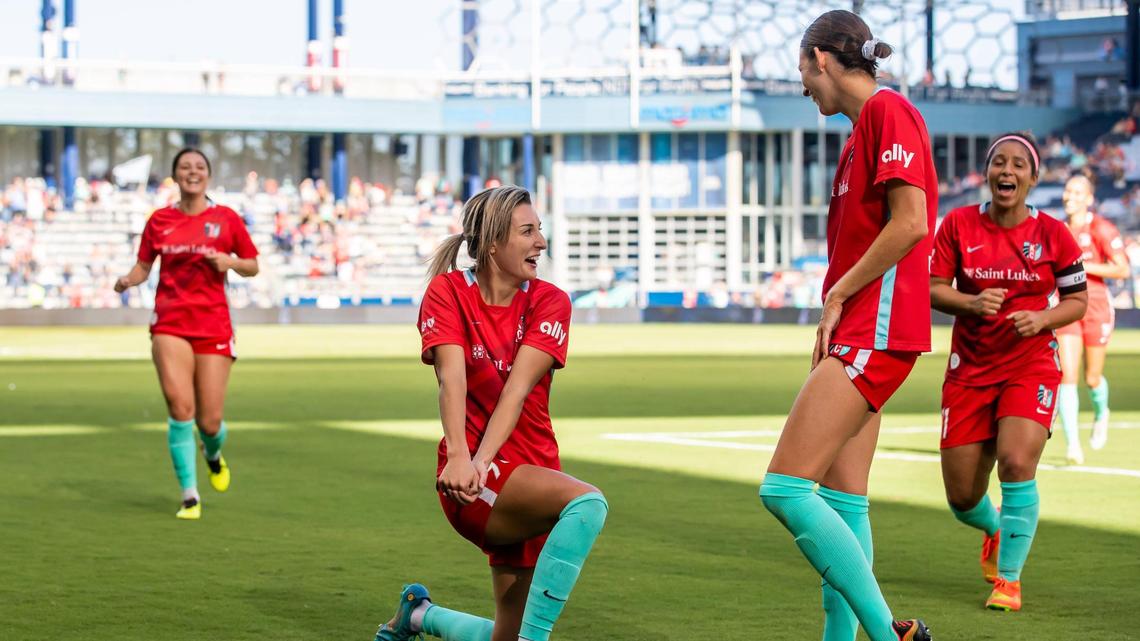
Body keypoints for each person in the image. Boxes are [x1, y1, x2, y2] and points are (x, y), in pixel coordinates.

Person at [760, 10, 937, 641]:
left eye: (802, 72)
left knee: (783, 489)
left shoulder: (889, 113)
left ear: (822, 60)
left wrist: (837, 294)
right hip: (865, 327)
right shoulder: (863, 130)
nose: (803, 87)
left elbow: (911, 221)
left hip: (877, 328)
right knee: (843, 500)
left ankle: (889, 635)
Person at [375, 185, 607, 641]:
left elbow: (517, 389)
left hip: (534, 474)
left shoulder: (550, 300)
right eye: (528, 231)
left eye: (540, 230)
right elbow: (451, 380)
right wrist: (465, 459)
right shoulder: (447, 293)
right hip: (472, 479)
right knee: (588, 504)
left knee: (506, 634)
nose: (541, 241)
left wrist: (477, 462)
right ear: (493, 241)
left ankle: (417, 616)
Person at [930, 132, 1087, 612]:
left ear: (1033, 178)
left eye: (1019, 165)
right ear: (987, 174)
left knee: (1018, 462)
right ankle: (996, 527)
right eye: (1000, 162)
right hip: (970, 370)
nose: (1008, 171)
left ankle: (1009, 581)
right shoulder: (957, 225)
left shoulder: (1054, 235)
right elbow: (934, 288)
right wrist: (971, 303)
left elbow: (1078, 301)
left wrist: (1042, 319)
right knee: (961, 497)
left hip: (1030, 364)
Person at [113, 148, 259, 519]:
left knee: (209, 421)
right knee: (180, 408)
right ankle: (190, 495)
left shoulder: (226, 219)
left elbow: (252, 265)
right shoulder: (160, 220)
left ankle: (212, 454)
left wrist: (230, 262)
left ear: (207, 175)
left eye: (199, 167)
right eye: (184, 167)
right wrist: (128, 280)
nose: (192, 172)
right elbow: (144, 266)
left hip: (213, 325)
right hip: (170, 324)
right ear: (175, 176)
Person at [1055, 173, 1129, 463]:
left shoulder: (1102, 228)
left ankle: (1102, 412)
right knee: (1067, 376)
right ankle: (1073, 446)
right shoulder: (1058, 229)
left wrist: (1084, 266)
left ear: (1088, 198)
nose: (1069, 196)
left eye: (1076, 192)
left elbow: (1121, 269)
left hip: (1096, 306)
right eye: (1067, 191)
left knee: (1092, 376)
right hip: (1067, 306)